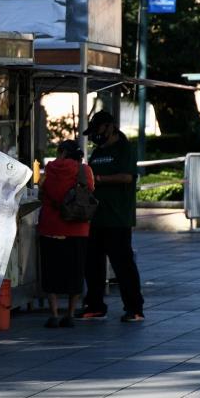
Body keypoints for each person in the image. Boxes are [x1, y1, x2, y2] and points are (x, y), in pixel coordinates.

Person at [77, 110, 145, 323]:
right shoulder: (98, 151)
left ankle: (134, 308)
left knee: (123, 265)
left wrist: (98, 179)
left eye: (98, 129)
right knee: (92, 264)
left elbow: (126, 177)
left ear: (109, 127)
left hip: (118, 218)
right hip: (96, 217)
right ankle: (95, 306)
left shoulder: (124, 149)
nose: (96, 135)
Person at [37, 139, 94, 328]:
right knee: (75, 272)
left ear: (62, 152)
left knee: (51, 272)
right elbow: (90, 191)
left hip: (50, 228)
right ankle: (69, 314)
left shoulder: (49, 169)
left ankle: (53, 314)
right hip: (77, 229)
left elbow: (42, 190)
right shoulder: (84, 171)